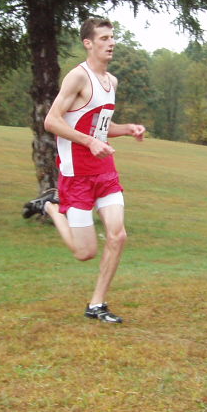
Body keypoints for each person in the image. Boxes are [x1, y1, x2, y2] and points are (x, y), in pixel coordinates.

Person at [22, 17, 145, 324]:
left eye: (112, 37)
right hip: (76, 175)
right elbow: (52, 121)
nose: (111, 43)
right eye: (104, 38)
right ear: (88, 43)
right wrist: (89, 142)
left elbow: (100, 127)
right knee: (84, 252)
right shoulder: (78, 77)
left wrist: (128, 129)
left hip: (105, 171)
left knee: (118, 235)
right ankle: (50, 207)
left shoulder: (111, 81)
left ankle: (97, 304)